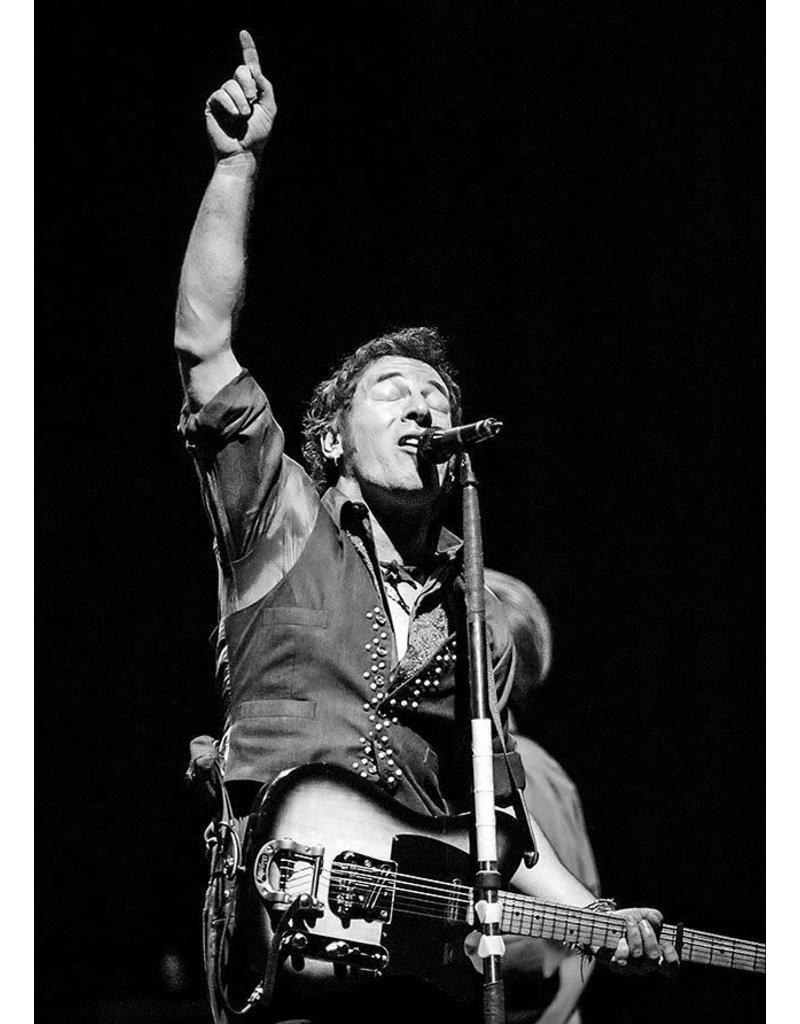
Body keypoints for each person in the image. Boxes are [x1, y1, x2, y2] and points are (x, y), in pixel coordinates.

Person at [175, 29, 678, 1024]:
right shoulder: (282, 521)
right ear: (329, 431)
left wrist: (599, 916)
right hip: (288, 943)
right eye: (392, 390)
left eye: (433, 395)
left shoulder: (472, 606)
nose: (417, 407)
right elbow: (205, 348)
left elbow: (501, 828)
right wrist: (236, 164)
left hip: (423, 967)